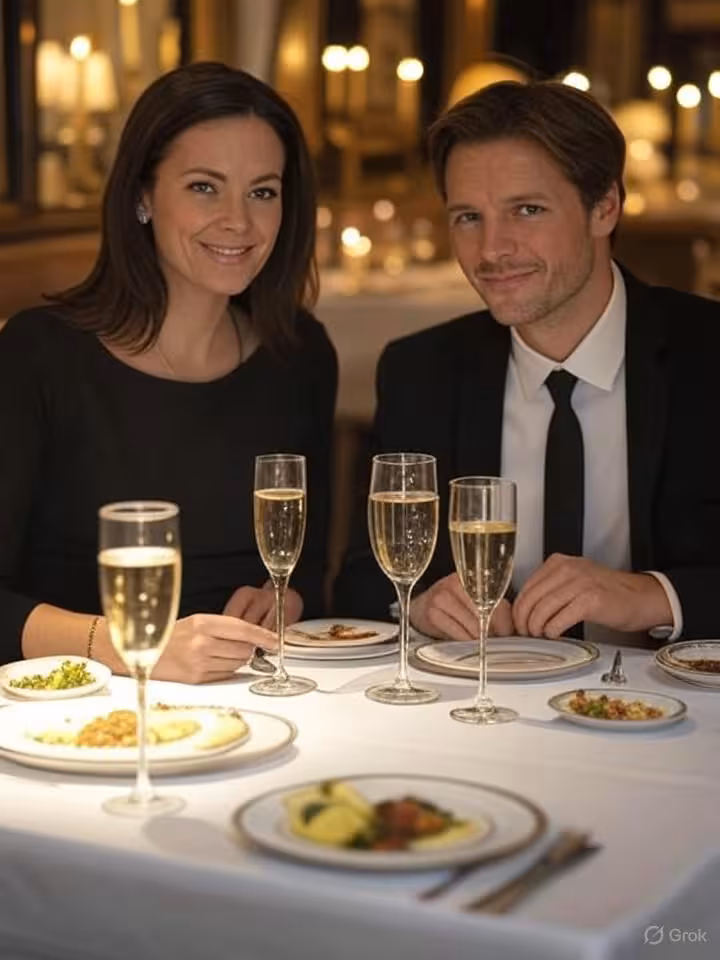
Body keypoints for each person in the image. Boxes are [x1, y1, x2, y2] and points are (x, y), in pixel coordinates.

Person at [334, 79, 720, 646]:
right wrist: (418, 604)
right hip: (488, 715)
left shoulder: (708, 355)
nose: (492, 250)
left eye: (527, 210)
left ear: (605, 207)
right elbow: (362, 582)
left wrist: (652, 596)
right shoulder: (421, 371)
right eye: (468, 217)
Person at [0, 62, 338, 681]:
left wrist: (281, 599)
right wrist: (137, 646)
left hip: (259, 696)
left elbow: (309, 570)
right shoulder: (36, 356)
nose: (239, 221)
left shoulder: (301, 355)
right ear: (142, 195)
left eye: (263, 191)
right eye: (205, 187)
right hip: (72, 707)